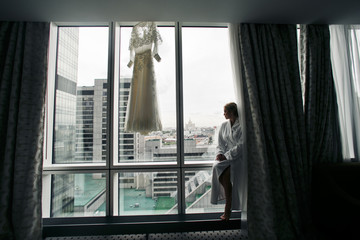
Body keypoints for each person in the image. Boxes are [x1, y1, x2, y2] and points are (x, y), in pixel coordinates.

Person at [211, 102, 243, 221]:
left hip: (238, 158)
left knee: (228, 175)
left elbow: (241, 145)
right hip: (226, 157)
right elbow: (220, 144)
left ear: (232, 112)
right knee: (217, 167)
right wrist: (220, 153)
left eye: (225, 111)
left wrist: (227, 155)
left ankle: (228, 208)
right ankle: (229, 202)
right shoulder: (224, 125)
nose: (224, 114)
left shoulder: (242, 125)